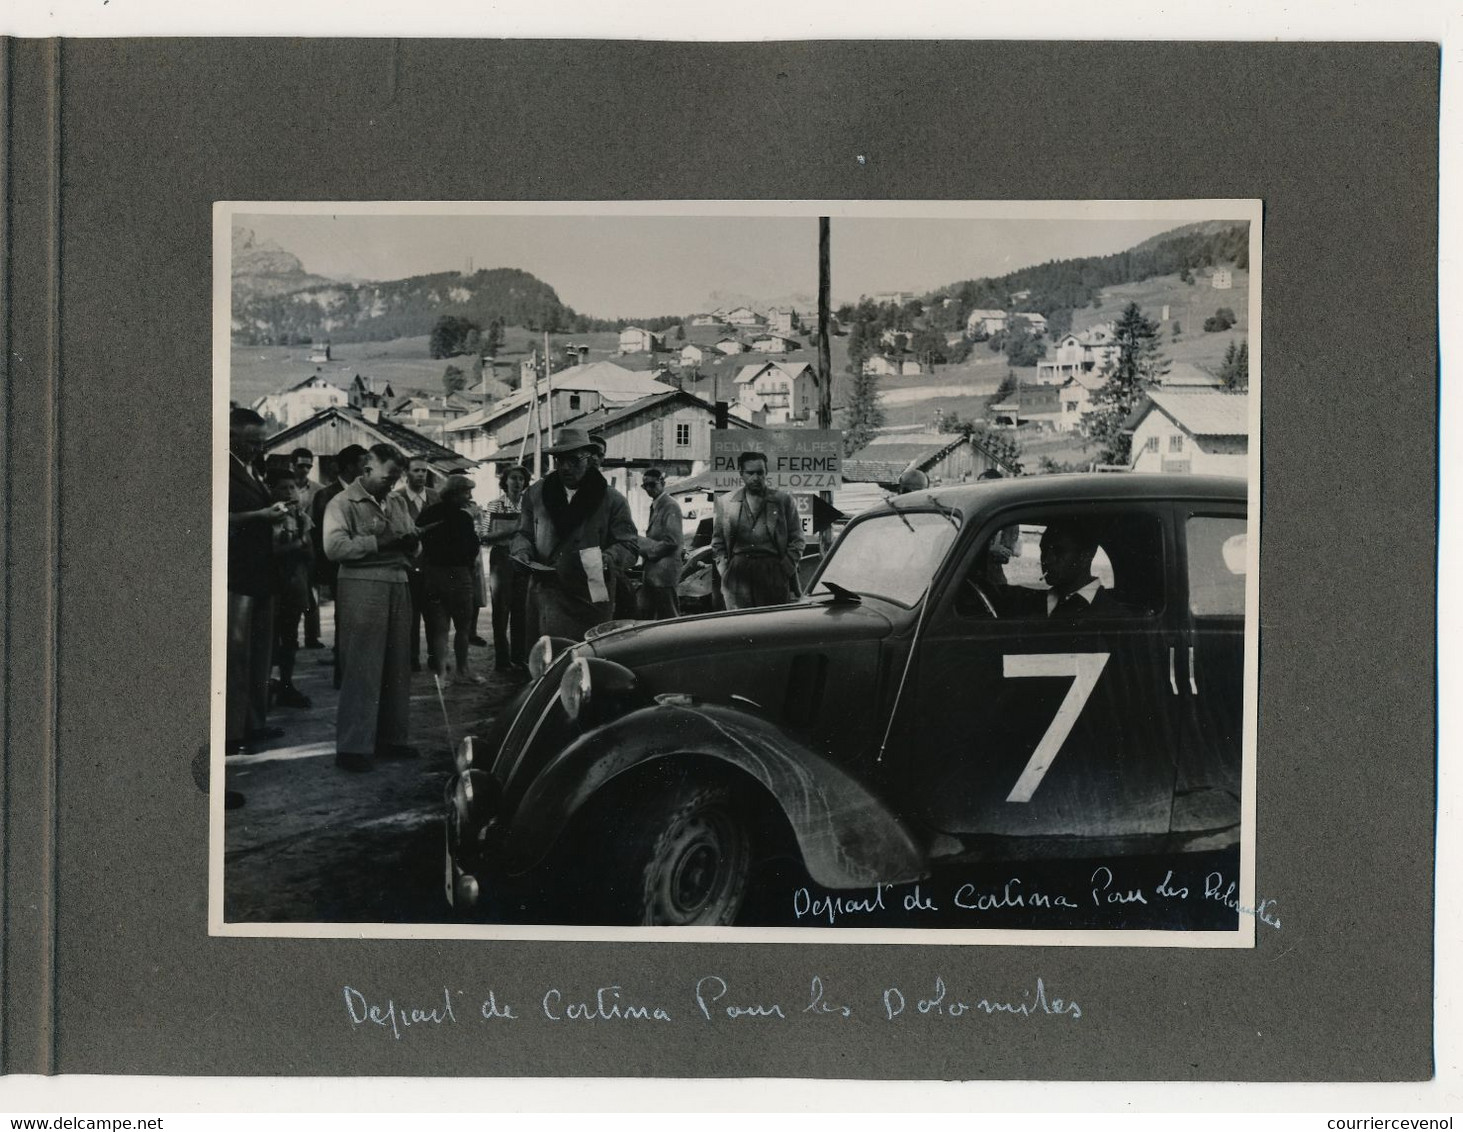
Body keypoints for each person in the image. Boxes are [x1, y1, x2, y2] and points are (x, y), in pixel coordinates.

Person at [323, 443, 420, 772]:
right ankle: (353, 747)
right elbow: (334, 547)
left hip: (398, 582)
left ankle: (392, 739)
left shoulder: (395, 500)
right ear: (366, 470)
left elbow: (409, 536)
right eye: (388, 477)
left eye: (397, 478)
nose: (393, 484)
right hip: (362, 586)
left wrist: (413, 542)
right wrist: (379, 543)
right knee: (362, 667)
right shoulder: (342, 503)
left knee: (397, 666)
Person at [511, 427, 640, 642]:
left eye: (574, 460)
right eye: (560, 461)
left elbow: (629, 546)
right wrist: (522, 552)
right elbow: (522, 533)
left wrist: (608, 558)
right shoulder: (536, 494)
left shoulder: (612, 500)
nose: (565, 467)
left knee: (588, 659)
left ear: (588, 459)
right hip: (547, 590)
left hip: (591, 593)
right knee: (549, 657)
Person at [226, 407, 288, 754]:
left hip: (262, 574)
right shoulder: (221, 470)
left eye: (262, 442)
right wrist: (262, 515)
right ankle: (233, 733)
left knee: (260, 656)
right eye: (253, 442)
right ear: (232, 438)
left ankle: (253, 723)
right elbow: (216, 518)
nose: (260, 449)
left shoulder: (251, 470)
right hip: (238, 576)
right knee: (237, 657)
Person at [711, 450, 804, 610]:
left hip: (772, 572)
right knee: (739, 627)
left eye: (760, 473)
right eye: (750, 473)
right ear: (741, 474)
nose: (756, 478)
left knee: (771, 627)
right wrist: (725, 571)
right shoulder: (726, 502)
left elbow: (798, 540)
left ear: (766, 473)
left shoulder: (783, 501)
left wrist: (784, 569)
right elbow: (717, 542)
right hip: (737, 575)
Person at [418, 475, 485, 685]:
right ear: (455, 493)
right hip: (458, 575)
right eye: (467, 492)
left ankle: (441, 674)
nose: (470, 496)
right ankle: (463, 670)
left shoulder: (429, 512)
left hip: (433, 575)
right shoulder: (463, 517)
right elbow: (472, 547)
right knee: (463, 627)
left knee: (439, 628)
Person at [312, 445, 367, 688]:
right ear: (350, 466)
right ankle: (342, 673)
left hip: (363, 562)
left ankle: (354, 667)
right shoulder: (326, 495)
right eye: (363, 464)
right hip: (337, 565)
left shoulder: (366, 492)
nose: (367, 469)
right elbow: (319, 537)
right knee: (343, 617)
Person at [267, 467, 314, 709]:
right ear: (271, 489)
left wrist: (299, 546)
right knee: (269, 638)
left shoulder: (300, 515)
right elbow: (271, 551)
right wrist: (298, 544)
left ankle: (286, 683)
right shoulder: (269, 517)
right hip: (273, 585)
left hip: (295, 584)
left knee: (290, 638)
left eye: (292, 487)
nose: (288, 492)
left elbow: (311, 550)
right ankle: (265, 685)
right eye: (282, 487)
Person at [481, 464, 531, 674]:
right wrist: (513, 530)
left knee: (522, 609)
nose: (517, 482)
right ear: (505, 481)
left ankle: (519, 658)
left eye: (521, 479)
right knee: (501, 609)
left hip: (523, 559)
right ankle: (502, 660)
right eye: (513, 478)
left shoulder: (530, 506)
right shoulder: (494, 505)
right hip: (501, 558)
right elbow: (484, 536)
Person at [396, 457, 441, 672]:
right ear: (406, 473)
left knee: (434, 615)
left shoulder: (435, 497)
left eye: (424, 471)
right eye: (416, 471)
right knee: (409, 616)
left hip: (432, 567)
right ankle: (411, 658)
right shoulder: (397, 498)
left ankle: (435, 657)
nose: (421, 475)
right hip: (407, 566)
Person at [637, 467, 684, 620]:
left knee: (669, 617)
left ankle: (677, 644)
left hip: (664, 574)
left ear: (662, 483)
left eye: (653, 485)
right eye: (646, 486)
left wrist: (648, 551)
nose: (649, 489)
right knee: (648, 616)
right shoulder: (657, 504)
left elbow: (672, 541)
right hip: (654, 574)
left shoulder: (670, 505)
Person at [291, 447, 324, 648]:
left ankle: (312, 637)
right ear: (292, 465)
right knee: (292, 592)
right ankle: (290, 637)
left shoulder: (319, 489)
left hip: (311, 546)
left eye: (308, 466)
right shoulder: (285, 487)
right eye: (300, 465)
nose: (304, 469)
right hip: (290, 545)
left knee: (313, 591)